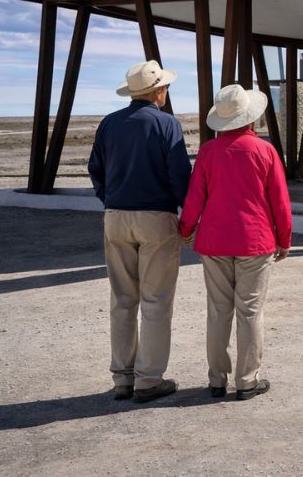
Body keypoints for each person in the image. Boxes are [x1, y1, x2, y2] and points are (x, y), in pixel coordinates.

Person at [179, 84, 292, 401]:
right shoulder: (265, 151)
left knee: (218, 312)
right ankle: (246, 381)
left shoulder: (208, 152)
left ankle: (217, 380)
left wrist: (186, 229)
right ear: (251, 119)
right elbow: (279, 202)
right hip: (255, 242)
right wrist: (284, 239)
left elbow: (194, 198)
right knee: (250, 312)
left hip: (214, 242)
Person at [88, 59, 191, 403]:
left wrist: (110, 198)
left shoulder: (109, 123)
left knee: (122, 300)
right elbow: (179, 176)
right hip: (155, 218)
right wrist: (186, 216)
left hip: (116, 217)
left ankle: (123, 377)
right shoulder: (167, 124)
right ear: (158, 91)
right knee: (156, 301)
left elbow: (95, 169)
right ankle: (148, 379)